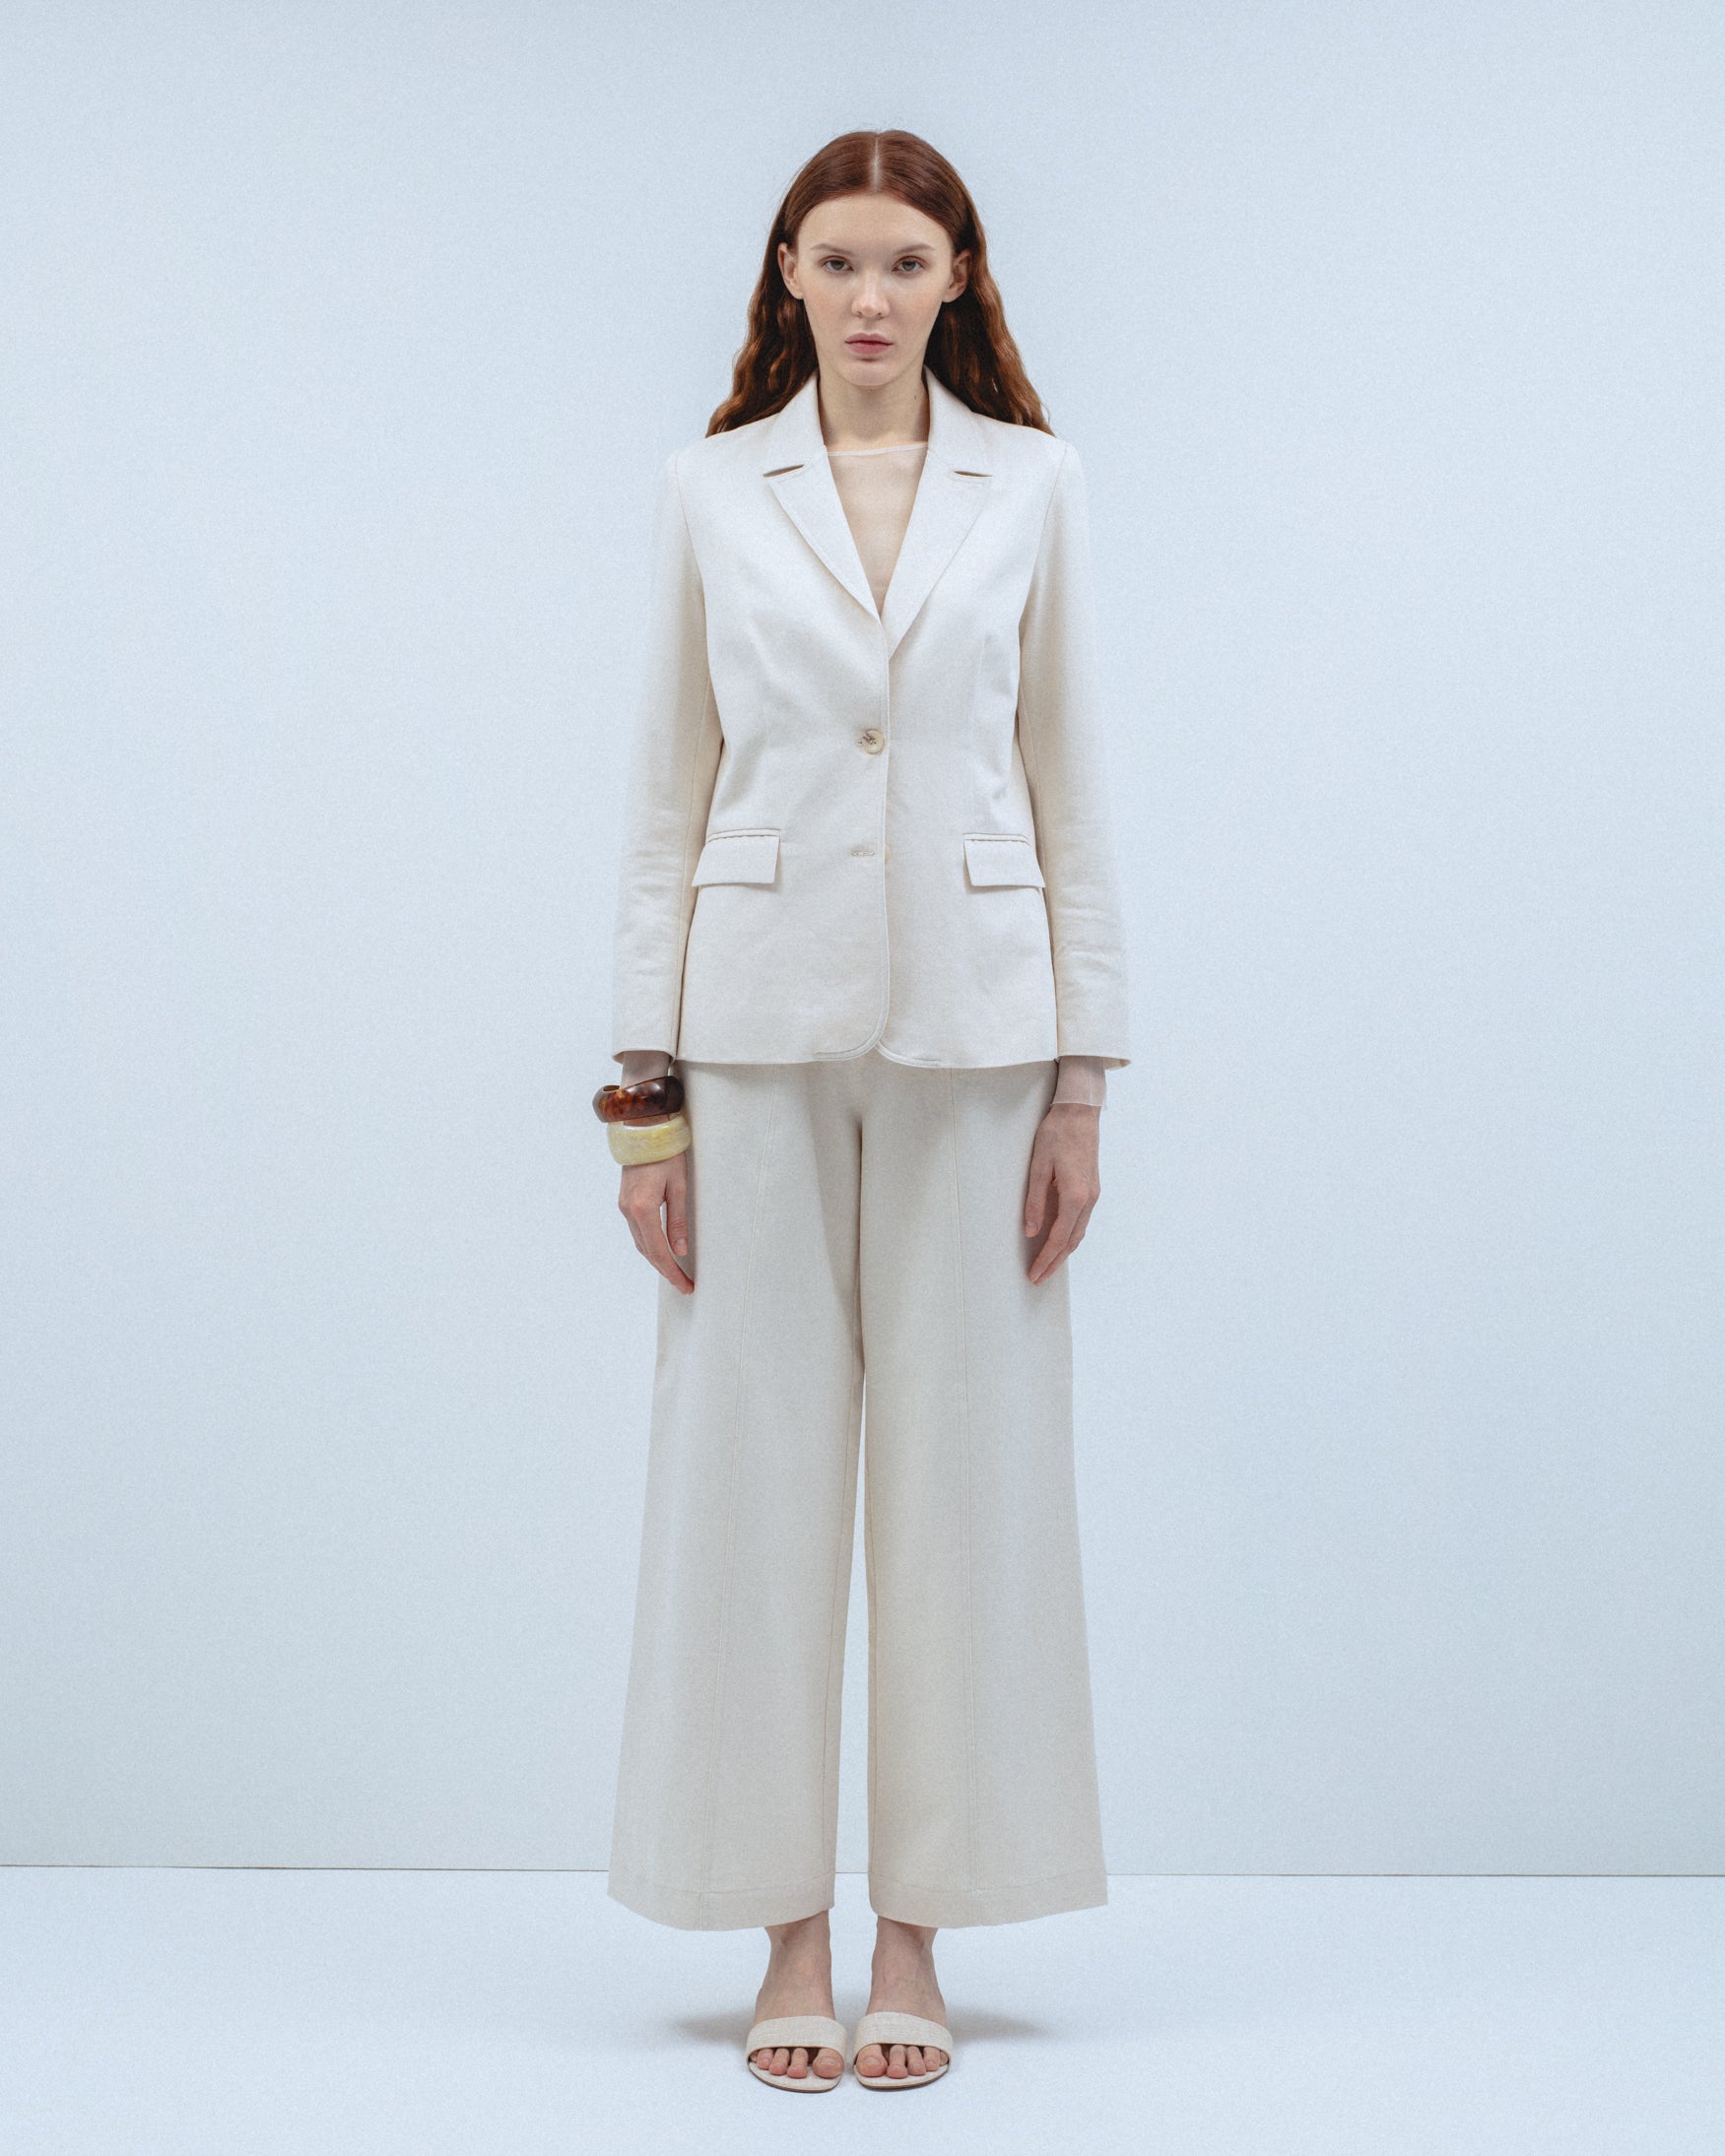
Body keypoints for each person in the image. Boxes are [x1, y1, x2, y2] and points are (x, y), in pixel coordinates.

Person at [597, 128, 1130, 2093]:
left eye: (908, 260)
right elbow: (666, 792)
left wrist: (1085, 1080)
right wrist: (642, 1100)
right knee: (746, 1480)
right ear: (790, 277)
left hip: (983, 1036)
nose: (874, 295)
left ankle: (917, 1931)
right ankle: (785, 1936)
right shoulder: (709, 488)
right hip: (747, 1033)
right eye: (839, 261)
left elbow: (1074, 784)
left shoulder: (1036, 485)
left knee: (968, 1485)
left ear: (960, 273)